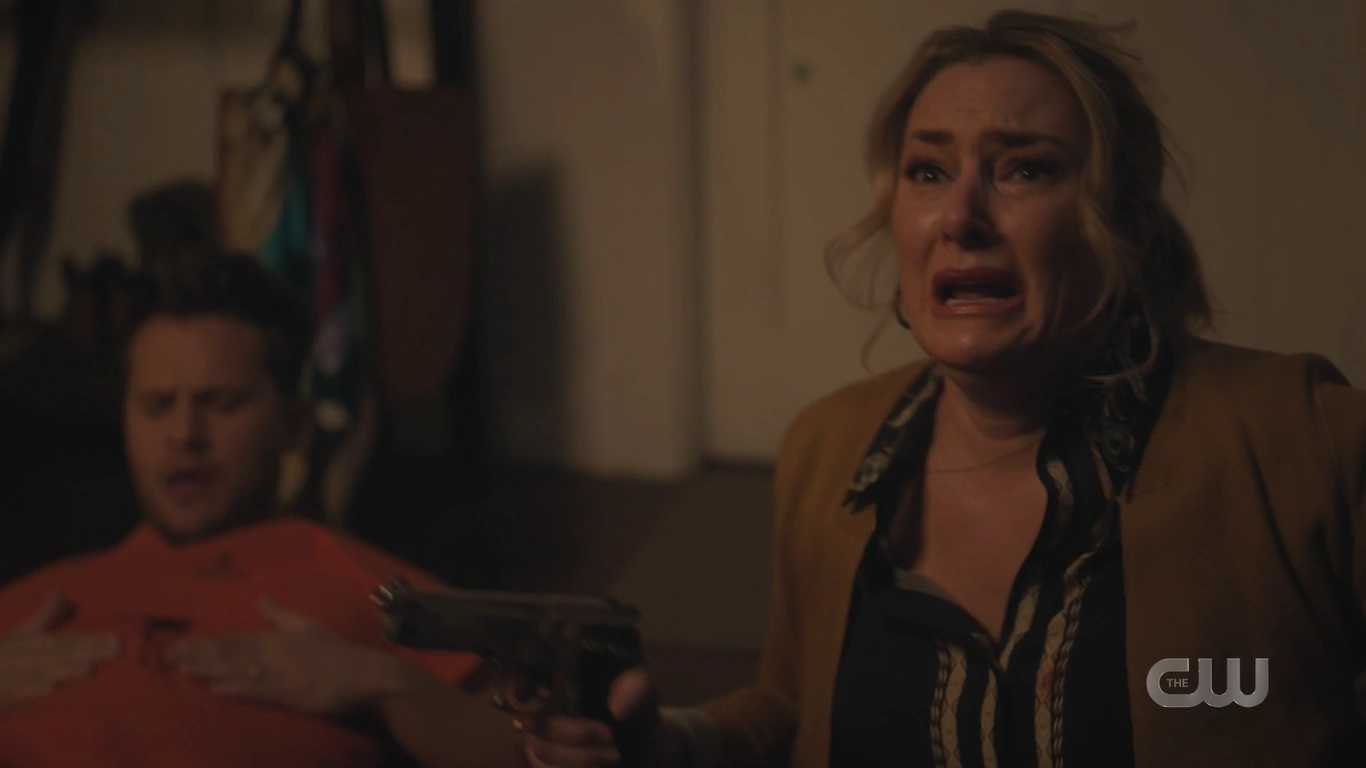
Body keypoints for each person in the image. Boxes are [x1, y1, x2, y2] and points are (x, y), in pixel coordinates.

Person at [523, 9, 1366, 768]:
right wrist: (670, 743)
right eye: (928, 172)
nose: (960, 217)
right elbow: (790, 708)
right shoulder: (828, 449)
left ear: (1127, 223)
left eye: (1024, 170)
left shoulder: (1302, 439)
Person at [0, 254, 522, 767]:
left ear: (293, 423)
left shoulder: (363, 582)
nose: (184, 435)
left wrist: (384, 684)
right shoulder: (44, 596)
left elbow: (529, 750)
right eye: (158, 406)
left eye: (222, 403)